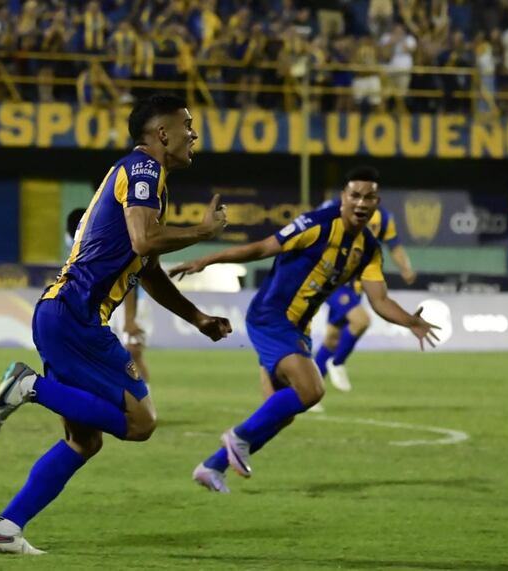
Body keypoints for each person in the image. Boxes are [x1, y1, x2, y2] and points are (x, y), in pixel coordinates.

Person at [0, 94, 232, 554]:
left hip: (60, 314)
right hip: (76, 316)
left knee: (83, 441)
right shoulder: (144, 170)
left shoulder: (148, 182)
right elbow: (145, 238)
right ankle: (28, 386)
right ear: (161, 134)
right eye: (187, 125)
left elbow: (147, 265)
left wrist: (197, 318)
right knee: (141, 422)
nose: (194, 134)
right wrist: (202, 232)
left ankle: (5, 529)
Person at [169, 166, 439, 494]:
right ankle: (237, 437)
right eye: (355, 195)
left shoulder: (368, 248)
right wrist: (207, 260)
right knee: (312, 390)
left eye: (369, 197)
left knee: (280, 412)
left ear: (376, 202)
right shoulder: (317, 224)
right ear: (343, 198)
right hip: (271, 317)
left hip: (297, 328)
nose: (361, 202)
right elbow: (262, 248)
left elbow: (379, 300)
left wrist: (411, 320)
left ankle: (212, 466)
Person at [313, 186, 417, 393]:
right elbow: (312, 229)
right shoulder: (334, 209)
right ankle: (337, 363)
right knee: (361, 320)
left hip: (357, 285)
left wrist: (405, 267)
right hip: (331, 280)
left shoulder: (384, 218)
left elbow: (394, 246)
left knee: (332, 338)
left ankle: (307, 391)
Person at [66, 207, 151, 383]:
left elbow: (127, 279)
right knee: (109, 357)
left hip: (129, 301)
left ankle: (144, 402)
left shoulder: (111, 242)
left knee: (133, 353)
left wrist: (129, 318)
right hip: (106, 303)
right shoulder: (86, 243)